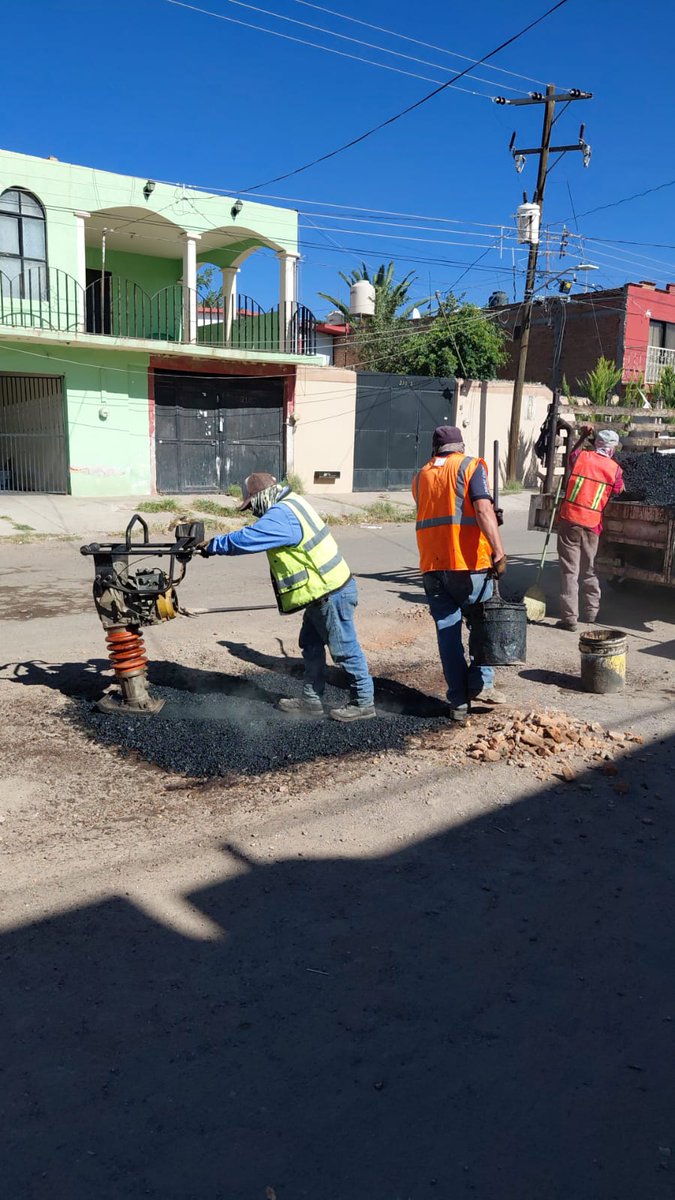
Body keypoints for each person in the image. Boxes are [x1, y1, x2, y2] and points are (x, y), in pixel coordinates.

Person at [201, 472, 375, 721]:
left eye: (251, 505)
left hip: (331, 592)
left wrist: (213, 545)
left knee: (344, 649)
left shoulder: (281, 515)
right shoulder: (291, 502)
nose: (252, 512)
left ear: (260, 497)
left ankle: (363, 702)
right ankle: (311, 700)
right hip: (320, 593)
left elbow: (248, 539)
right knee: (310, 644)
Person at [412, 425, 507, 722]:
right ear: (460, 447)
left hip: (432, 565)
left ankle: (458, 701)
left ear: (435, 449)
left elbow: (442, 509)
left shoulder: (421, 475)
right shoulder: (470, 466)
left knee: (447, 633)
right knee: (482, 623)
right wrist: (499, 551)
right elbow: (482, 510)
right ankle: (481, 685)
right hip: (468, 565)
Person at [556, 425, 624, 631]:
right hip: (592, 524)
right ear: (612, 449)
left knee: (570, 571)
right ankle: (592, 611)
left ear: (596, 443)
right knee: (589, 569)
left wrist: (583, 436)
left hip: (570, 520)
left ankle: (569, 618)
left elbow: (570, 455)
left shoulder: (581, 457)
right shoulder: (615, 469)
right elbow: (619, 490)